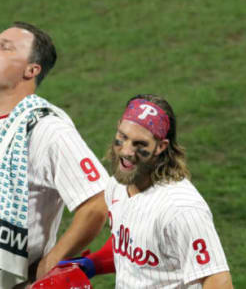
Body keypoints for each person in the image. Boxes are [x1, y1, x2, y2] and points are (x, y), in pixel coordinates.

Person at [0, 22, 110, 288]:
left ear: (31, 70)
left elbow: (96, 203)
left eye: (6, 47)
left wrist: (51, 262)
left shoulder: (48, 130)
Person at [57, 94, 233, 288]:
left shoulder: (181, 209)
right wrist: (92, 264)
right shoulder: (118, 185)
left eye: (139, 144)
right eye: (123, 137)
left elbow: (217, 280)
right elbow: (133, 245)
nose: (126, 152)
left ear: (160, 146)